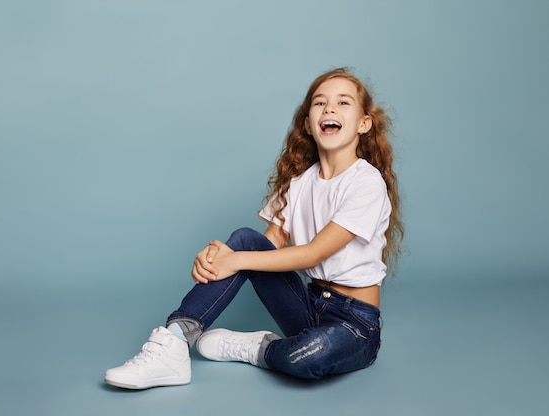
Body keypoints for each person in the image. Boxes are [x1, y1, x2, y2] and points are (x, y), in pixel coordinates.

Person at [104, 67, 403, 389]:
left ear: (364, 123)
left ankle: (257, 348)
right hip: (308, 304)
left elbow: (315, 252)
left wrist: (235, 260)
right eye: (320, 103)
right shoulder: (297, 183)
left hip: (355, 323)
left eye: (343, 103)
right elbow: (267, 244)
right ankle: (174, 342)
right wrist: (220, 258)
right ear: (308, 123)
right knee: (245, 240)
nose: (329, 109)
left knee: (304, 358)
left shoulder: (367, 183)